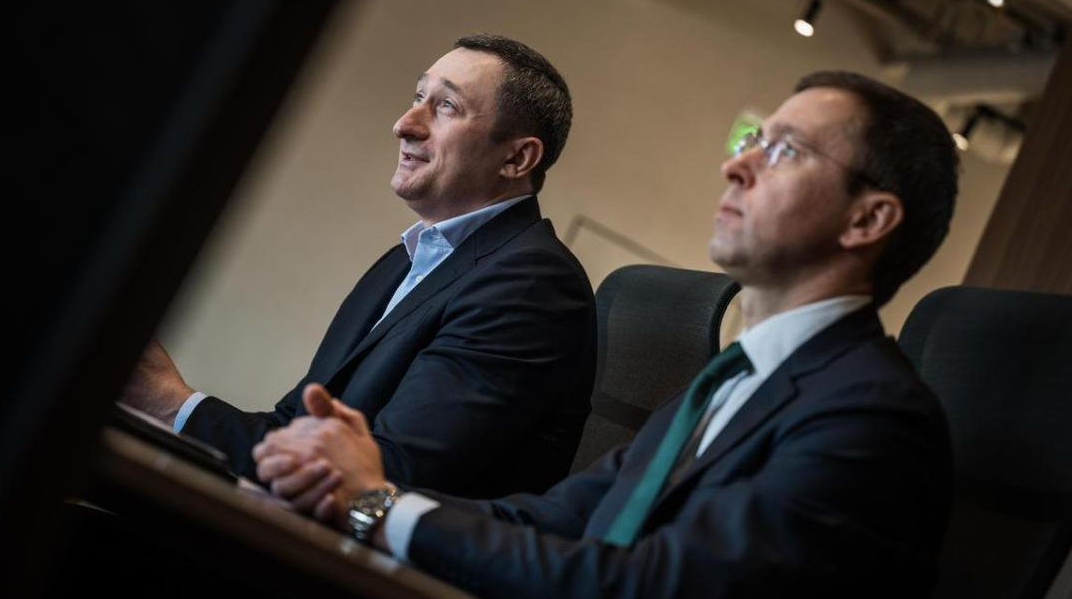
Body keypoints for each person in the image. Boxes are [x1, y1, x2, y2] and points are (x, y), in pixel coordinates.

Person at [253, 71, 961, 598]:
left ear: (867, 220)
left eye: (784, 151)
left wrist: (377, 505)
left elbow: (642, 586)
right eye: (754, 140)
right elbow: (555, 518)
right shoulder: (726, 380)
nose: (734, 164)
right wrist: (360, 491)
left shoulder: (873, 416)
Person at [122, 34, 597, 498]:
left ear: (516, 157)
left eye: (446, 106)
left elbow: (386, 477)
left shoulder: (534, 284)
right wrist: (165, 407)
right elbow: (295, 427)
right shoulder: (408, 258)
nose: (404, 124)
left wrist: (168, 401)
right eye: (418, 96)